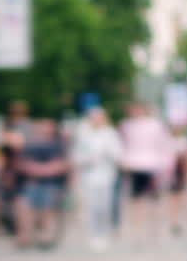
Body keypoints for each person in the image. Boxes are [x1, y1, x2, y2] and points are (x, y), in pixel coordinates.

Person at [119, 102, 174, 239]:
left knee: (153, 199)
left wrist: (165, 164)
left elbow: (163, 144)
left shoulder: (155, 125)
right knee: (136, 199)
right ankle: (138, 229)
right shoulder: (127, 126)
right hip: (134, 165)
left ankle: (154, 228)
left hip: (152, 165)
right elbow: (124, 145)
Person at [74, 106, 123, 252]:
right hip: (89, 176)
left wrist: (108, 152)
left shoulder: (110, 133)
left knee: (104, 206)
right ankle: (93, 234)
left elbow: (118, 153)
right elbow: (76, 155)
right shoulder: (84, 134)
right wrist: (86, 159)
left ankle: (103, 233)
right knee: (91, 206)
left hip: (106, 175)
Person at [16, 119, 69, 250]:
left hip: (51, 183)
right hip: (31, 182)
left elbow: (62, 164)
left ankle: (46, 237)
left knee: (47, 210)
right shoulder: (28, 145)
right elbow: (22, 163)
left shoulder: (57, 145)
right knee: (26, 209)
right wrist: (39, 170)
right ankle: (26, 237)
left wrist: (43, 170)